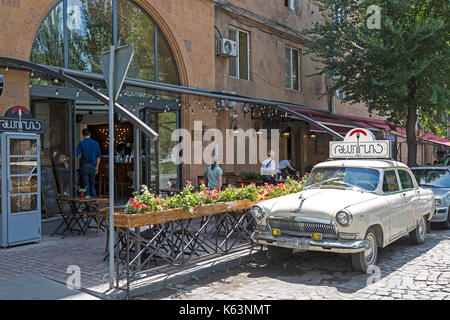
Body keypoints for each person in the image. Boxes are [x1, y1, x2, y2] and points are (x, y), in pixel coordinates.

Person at [76, 128, 101, 200]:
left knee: (86, 185)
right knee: (92, 185)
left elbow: (76, 154)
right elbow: (98, 156)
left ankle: (88, 206)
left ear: (83, 135)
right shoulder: (95, 143)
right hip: (93, 166)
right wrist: (97, 166)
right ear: (90, 134)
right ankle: (94, 204)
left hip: (84, 166)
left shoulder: (81, 143)